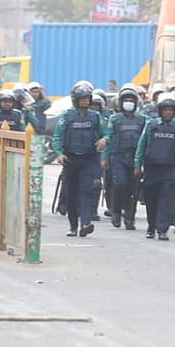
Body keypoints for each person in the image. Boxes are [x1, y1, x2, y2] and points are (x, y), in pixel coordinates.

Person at [51, 83, 110, 237]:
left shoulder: (95, 116)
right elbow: (57, 136)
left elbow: (107, 133)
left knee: (86, 190)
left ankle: (85, 222)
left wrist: (104, 140)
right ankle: (73, 226)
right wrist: (58, 153)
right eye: (82, 99)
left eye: (87, 98)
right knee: (71, 193)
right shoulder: (66, 116)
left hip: (89, 159)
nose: (85, 101)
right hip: (70, 160)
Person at [134, 94, 175, 241]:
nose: (168, 112)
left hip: (171, 169)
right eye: (165, 110)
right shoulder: (151, 126)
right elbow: (141, 146)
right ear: (160, 111)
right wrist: (137, 165)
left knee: (166, 200)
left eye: (170, 110)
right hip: (152, 168)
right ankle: (151, 226)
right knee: (151, 199)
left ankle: (162, 229)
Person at [104, 85, 147, 230]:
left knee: (132, 188)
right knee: (119, 184)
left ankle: (130, 217)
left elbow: (146, 140)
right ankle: (116, 211)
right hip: (118, 157)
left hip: (135, 158)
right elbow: (109, 138)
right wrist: (104, 157)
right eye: (126, 100)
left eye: (131, 100)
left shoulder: (142, 119)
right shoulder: (115, 119)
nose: (129, 103)